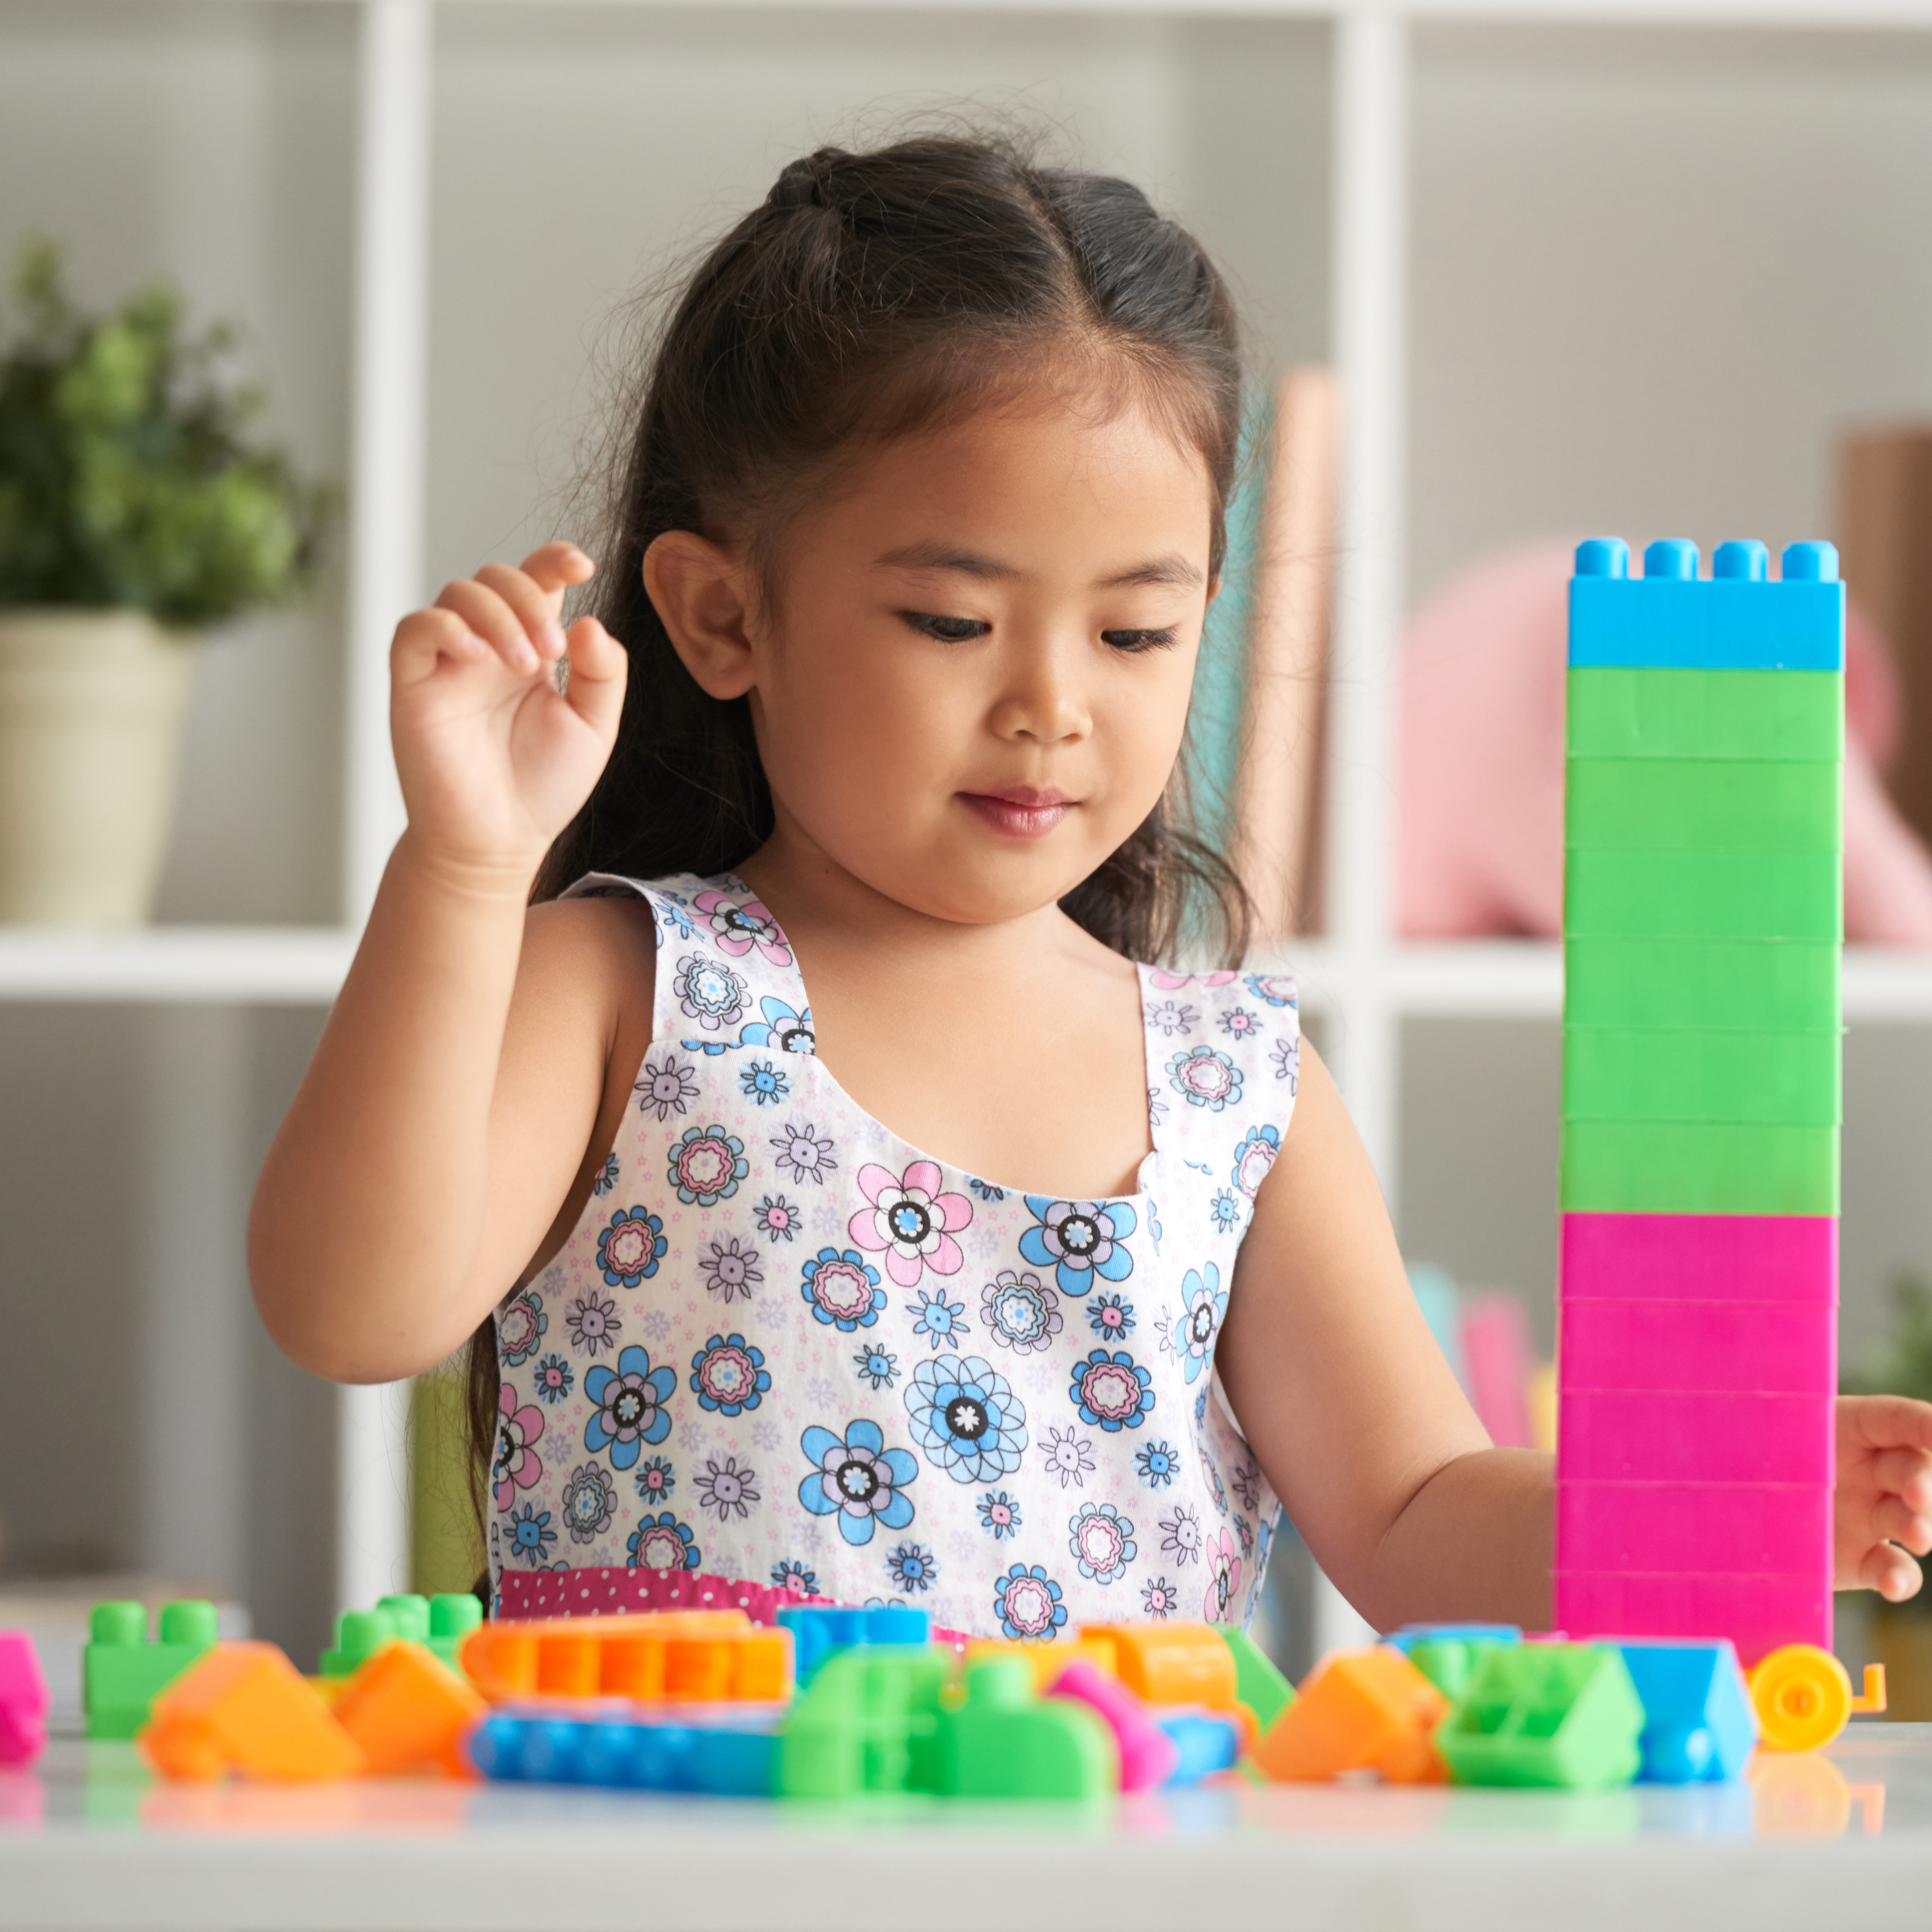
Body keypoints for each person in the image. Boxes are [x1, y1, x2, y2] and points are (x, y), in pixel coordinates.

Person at [250, 131, 1932, 1642]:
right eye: (951, 621)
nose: (1051, 700)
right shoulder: (626, 980)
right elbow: (351, 1307)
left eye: (1135, 631)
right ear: (719, 616)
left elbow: (1417, 1512)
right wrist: (463, 860)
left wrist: (1712, 1509)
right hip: (682, 1862)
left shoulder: (1232, 1078)